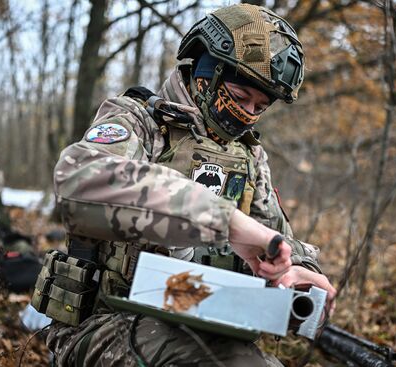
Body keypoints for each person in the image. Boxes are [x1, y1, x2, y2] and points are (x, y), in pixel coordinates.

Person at [42, 4, 336, 366]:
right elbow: (77, 178)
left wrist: (299, 271)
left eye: (260, 106)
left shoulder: (248, 156)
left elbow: (275, 234)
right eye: (240, 97)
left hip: (201, 318)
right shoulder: (138, 122)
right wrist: (221, 219)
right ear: (203, 71)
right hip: (100, 322)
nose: (246, 114)